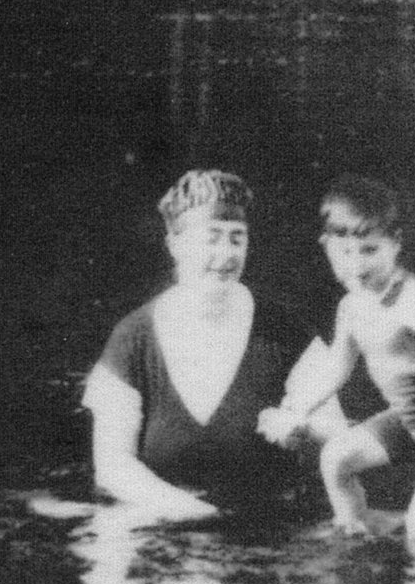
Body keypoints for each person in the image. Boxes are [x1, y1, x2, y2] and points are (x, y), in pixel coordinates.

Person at [83, 170, 324, 521]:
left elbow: (339, 440)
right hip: (161, 531)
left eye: (236, 239)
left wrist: (306, 429)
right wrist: (201, 517)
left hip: (267, 536)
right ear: (175, 244)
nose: (225, 255)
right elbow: (113, 467)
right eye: (211, 238)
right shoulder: (131, 339)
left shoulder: (289, 334)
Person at [257, 177, 415, 546]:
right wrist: (294, 410)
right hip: (404, 420)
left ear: (395, 244)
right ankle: (355, 533)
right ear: (326, 247)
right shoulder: (351, 307)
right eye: (345, 253)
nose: (357, 265)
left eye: (370, 250)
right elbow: (337, 368)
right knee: (335, 459)